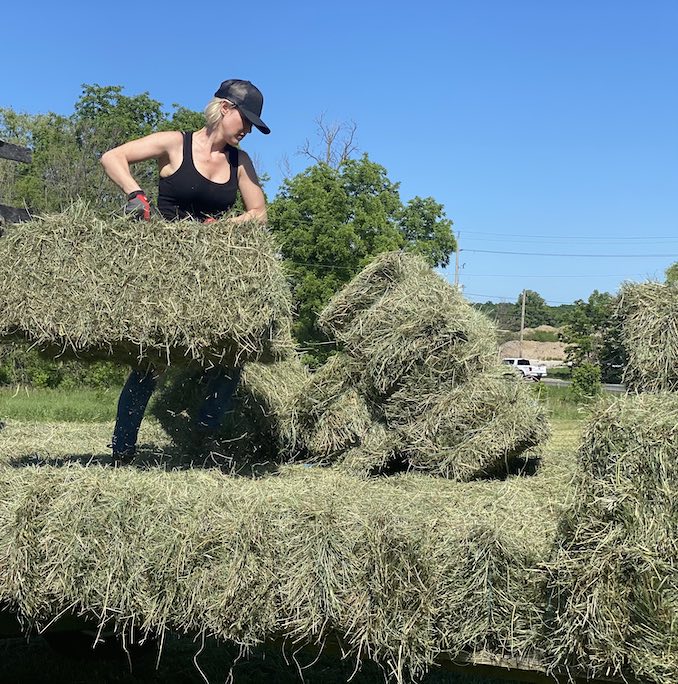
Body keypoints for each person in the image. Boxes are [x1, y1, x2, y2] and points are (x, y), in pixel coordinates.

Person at [100, 79, 270, 461]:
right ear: (225, 109)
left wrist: (224, 228)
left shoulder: (239, 161)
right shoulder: (175, 143)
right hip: (167, 267)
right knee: (152, 360)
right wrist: (135, 194)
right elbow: (112, 157)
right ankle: (122, 449)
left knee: (231, 354)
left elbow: (258, 213)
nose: (247, 130)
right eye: (245, 119)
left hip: (212, 272)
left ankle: (201, 439)